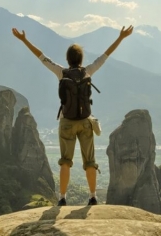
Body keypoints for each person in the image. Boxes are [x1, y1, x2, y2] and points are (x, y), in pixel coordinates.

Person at [12, 25, 133, 206]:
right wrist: (121, 37)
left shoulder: (61, 72)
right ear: (81, 59)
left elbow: (41, 57)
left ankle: (62, 198)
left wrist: (24, 40)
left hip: (67, 122)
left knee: (65, 162)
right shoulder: (88, 71)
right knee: (90, 161)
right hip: (85, 122)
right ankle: (93, 197)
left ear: (68, 59)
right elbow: (105, 56)